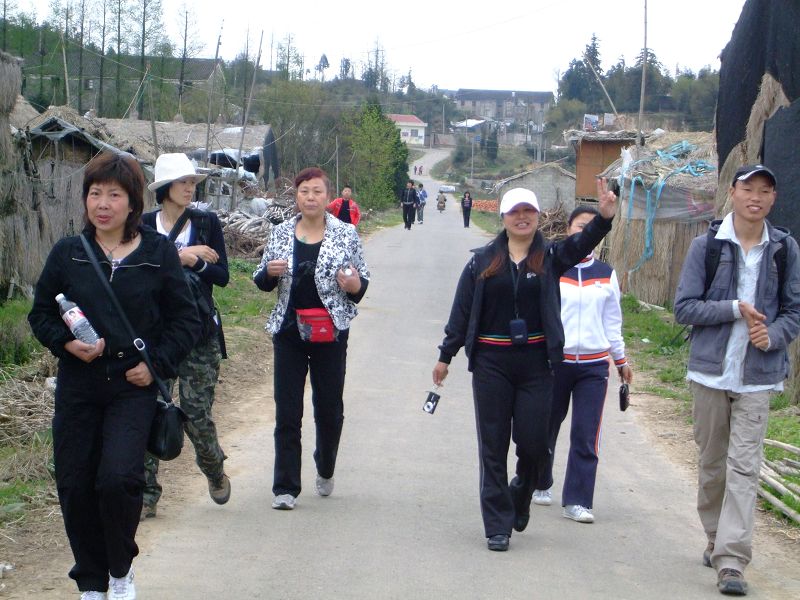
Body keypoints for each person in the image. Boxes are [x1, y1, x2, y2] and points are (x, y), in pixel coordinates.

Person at [27, 151, 199, 600]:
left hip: (132, 384)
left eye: (114, 194)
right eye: (95, 193)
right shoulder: (69, 253)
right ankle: (91, 581)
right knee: (75, 481)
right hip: (79, 384)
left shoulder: (157, 253)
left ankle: (120, 570)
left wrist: (156, 364)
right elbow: (41, 313)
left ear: (133, 202)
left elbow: (186, 320)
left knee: (119, 479)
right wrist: (66, 344)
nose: (103, 203)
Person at [432, 181, 618, 552]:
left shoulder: (551, 256)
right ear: (502, 217)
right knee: (493, 444)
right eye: (514, 212)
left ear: (536, 217)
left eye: (528, 212)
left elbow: (582, 243)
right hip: (491, 363)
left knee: (535, 445)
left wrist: (604, 217)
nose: (522, 218)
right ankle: (497, 525)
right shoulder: (482, 260)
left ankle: (521, 492)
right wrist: (445, 356)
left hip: (537, 363)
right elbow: (462, 312)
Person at [674, 164, 800, 596]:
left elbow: (793, 311)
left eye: (766, 190)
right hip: (710, 373)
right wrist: (733, 309)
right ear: (733, 192)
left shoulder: (784, 249)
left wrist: (774, 335)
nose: (757, 197)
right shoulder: (706, 246)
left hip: (758, 377)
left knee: (744, 468)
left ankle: (731, 560)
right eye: (749, 189)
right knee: (713, 466)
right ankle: (714, 537)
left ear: (773, 198)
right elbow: (684, 308)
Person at [253, 167, 370, 510]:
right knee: (287, 411)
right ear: (297, 196)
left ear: (328, 196)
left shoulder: (345, 234)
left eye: (317, 191)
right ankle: (285, 487)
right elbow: (263, 280)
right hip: (289, 332)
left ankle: (326, 464)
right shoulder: (279, 233)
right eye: (304, 191)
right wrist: (268, 274)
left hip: (330, 332)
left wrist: (354, 286)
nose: (310, 197)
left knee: (329, 409)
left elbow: (362, 283)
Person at [140, 153, 231, 519]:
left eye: (192, 181)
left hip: (198, 334)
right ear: (164, 188)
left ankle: (213, 468)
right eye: (182, 182)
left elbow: (222, 276)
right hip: (156, 336)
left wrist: (197, 262)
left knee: (195, 413)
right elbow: (140, 271)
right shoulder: (144, 226)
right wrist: (182, 254)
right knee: (147, 411)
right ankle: (146, 494)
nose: (190, 187)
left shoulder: (207, 222)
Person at [531, 205, 633, 524]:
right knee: (546, 426)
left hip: (592, 367)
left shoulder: (606, 274)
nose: (584, 230)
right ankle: (539, 482)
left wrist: (621, 360)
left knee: (586, 434)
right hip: (555, 362)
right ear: (569, 230)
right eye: (579, 226)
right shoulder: (551, 267)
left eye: (590, 226)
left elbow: (612, 322)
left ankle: (578, 500)